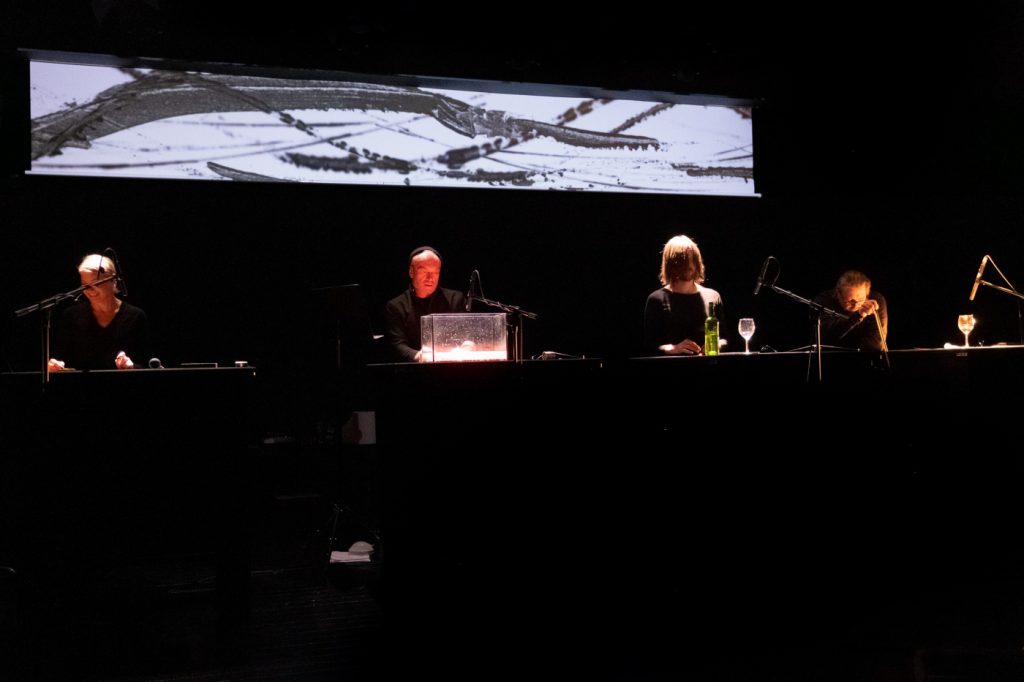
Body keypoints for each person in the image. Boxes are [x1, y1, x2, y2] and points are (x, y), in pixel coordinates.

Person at [48, 253, 148, 371]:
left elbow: (147, 364)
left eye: (96, 283)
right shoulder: (71, 316)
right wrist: (54, 366)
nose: (89, 290)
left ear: (113, 281)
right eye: (85, 285)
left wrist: (130, 367)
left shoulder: (135, 316)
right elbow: (61, 359)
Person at [643, 235, 723, 355]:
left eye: (692, 258)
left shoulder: (713, 296)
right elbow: (648, 345)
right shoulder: (656, 300)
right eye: (683, 260)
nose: (689, 264)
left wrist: (715, 345)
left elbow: (725, 338)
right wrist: (672, 348)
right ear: (671, 264)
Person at [384, 246, 466, 362]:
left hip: (453, 365)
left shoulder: (455, 299)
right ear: (411, 272)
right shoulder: (396, 306)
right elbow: (397, 344)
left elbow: (466, 335)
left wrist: (469, 344)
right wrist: (419, 356)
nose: (430, 278)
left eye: (435, 272)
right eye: (424, 271)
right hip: (415, 368)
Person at [812, 270, 888, 351]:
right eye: (850, 301)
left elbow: (876, 343)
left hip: (865, 356)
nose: (855, 305)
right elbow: (825, 338)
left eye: (861, 299)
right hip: (832, 356)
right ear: (838, 294)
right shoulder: (823, 300)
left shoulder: (876, 300)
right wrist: (858, 315)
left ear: (867, 293)